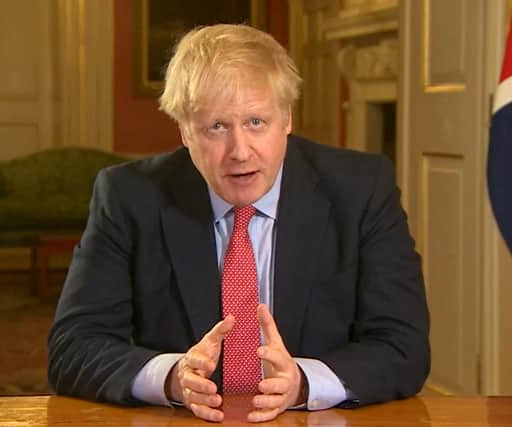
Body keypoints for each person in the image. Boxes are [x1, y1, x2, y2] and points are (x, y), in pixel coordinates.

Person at [48, 24, 429, 423]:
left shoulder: (361, 189)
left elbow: (403, 346)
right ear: (184, 131)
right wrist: (171, 378)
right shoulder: (129, 196)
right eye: (216, 127)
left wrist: (303, 382)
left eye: (256, 123)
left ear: (286, 119)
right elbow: (74, 347)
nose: (240, 152)